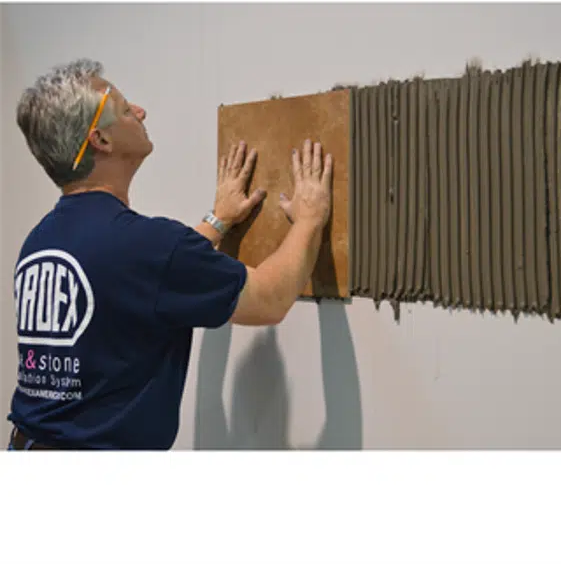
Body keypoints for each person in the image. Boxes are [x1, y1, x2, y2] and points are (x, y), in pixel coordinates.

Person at [6, 58, 333, 451]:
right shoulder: (147, 246)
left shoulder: (41, 240)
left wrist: (217, 221)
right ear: (101, 140)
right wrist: (309, 220)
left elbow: (141, 277)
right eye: (125, 110)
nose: (140, 111)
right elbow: (270, 300)